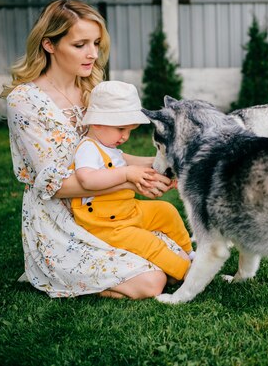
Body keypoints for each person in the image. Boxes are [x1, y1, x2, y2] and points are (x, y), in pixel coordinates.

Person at [3, 0, 178, 299]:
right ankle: (65, 274)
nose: (93, 54)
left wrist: (157, 165)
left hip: (110, 211)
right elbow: (54, 187)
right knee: (152, 281)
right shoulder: (24, 101)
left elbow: (110, 156)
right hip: (59, 221)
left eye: (96, 43)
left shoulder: (91, 89)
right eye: (80, 44)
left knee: (170, 256)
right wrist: (130, 178)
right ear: (49, 45)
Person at [70, 80, 194, 282]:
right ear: (97, 122)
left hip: (127, 210)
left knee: (166, 211)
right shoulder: (88, 148)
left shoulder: (108, 146)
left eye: (130, 130)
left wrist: (166, 171)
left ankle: (189, 253)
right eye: (121, 129)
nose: (126, 136)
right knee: (147, 242)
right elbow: (87, 180)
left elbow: (141, 165)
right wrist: (127, 174)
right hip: (106, 224)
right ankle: (186, 274)